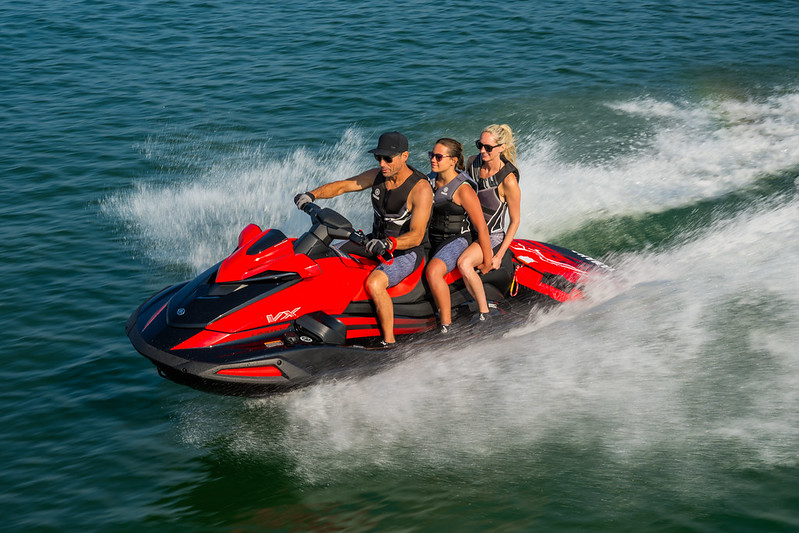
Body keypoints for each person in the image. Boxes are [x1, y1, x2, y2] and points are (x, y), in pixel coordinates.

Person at [293, 131, 433, 347]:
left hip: (405, 251)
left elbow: (416, 235)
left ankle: (389, 342)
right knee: (327, 255)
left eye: (388, 158)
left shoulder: (420, 188)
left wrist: (389, 243)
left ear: (404, 156)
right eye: (378, 157)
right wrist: (311, 195)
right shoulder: (378, 176)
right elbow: (343, 185)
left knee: (375, 283)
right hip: (373, 242)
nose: (382, 163)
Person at [424, 138, 493, 334]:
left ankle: (446, 326)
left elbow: (481, 227)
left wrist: (487, 260)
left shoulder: (463, 189)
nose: (433, 160)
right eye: (432, 155)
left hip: (457, 240)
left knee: (433, 272)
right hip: (432, 238)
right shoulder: (429, 181)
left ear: (453, 161)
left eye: (439, 157)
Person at [457, 124, 521, 323]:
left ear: (502, 147)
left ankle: (484, 313)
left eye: (488, 147)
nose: (482, 151)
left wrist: (499, 255)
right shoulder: (473, 164)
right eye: (480, 145)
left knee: (464, 264)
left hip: (492, 236)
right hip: (468, 230)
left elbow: (515, 221)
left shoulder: (508, 180)